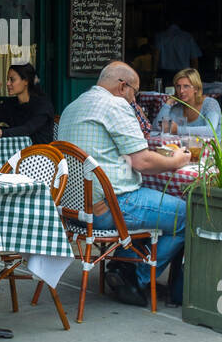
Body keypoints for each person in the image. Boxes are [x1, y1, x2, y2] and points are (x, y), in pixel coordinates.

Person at [57, 61, 191, 307]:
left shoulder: (72, 106)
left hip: (75, 211)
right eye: (135, 92)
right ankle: (135, 275)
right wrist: (177, 161)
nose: (134, 100)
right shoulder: (116, 105)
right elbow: (141, 162)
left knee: (155, 204)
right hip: (111, 208)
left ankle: (123, 263)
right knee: (188, 214)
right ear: (122, 87)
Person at [0, 62, 56, 146]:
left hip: (41, 155)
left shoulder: (43, 105)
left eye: (12, 80)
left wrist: (0, 132)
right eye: (7, 79)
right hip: (16, 154)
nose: (7, 83)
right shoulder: (10, 104)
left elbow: (27, 129)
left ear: (26, 81)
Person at [153, 67, 221, 138]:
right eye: (178, 86)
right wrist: (168, 103)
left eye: (186, 86)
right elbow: (157, 128)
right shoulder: (177, 108)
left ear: (196, 88)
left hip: (215, 148)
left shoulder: (210, 104)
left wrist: (178, 130)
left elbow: (210, 131)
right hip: (188, 147)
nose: (181, 90)